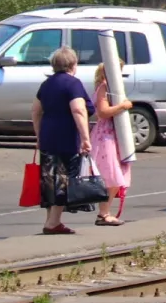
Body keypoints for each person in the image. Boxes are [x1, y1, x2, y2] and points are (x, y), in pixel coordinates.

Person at [31, 46, 91, 235]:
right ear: (73, 64)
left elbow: (35, 111)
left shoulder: (46, 84)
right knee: (63, 178)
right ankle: (53, 223)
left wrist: (38, 135)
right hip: (66, 136)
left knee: (49, 178)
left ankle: (50, 219)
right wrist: (85, 138)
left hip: (48, 134)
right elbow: (78, 110)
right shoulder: (73, 84)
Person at [89, 63, 134, 226]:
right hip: (105, 135)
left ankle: (105, 212)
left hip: (110, 134)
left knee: (113, 175)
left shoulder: (107, 87)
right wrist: (123, 106)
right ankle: (104, 213)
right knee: (112, 175)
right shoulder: (104, 87)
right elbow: (103, 111)